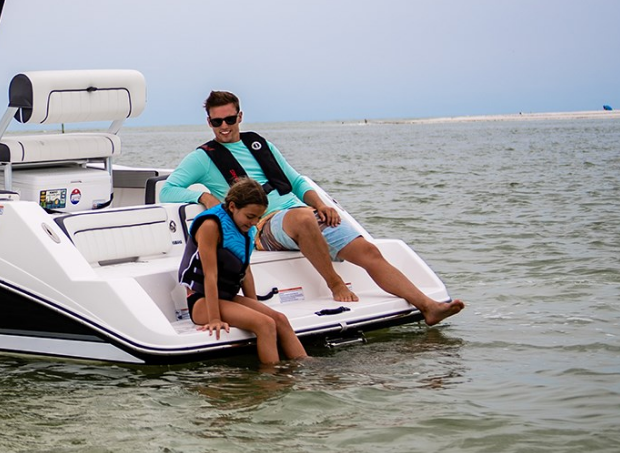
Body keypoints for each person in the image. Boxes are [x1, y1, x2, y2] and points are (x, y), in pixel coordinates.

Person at [161, 90, 465, 326]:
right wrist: (204, 198)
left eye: (230, 119)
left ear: (240, 116)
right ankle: (335, 284)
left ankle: (428, 306)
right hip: (264, 224)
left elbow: (295, 181)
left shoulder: (259, 144)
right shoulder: (203, 157)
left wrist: (320, 203)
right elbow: (169, 189)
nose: (224, 127)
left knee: (368, 251)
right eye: (217, 122)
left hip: (298, 214)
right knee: (303, 218)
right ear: (209, 123)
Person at [180, 177, 307, 365]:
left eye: (258, 218)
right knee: (265, 324)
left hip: (227, 297)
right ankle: (271, 377)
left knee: (280, 319)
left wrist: (253, 305)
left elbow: (245, 271)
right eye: (250, 216)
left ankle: (306, 367)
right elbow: (210, 275)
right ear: (232, 206)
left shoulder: (245, 227)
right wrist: (214, 319)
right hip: (202, 302)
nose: (254, 222)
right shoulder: (211, 225)